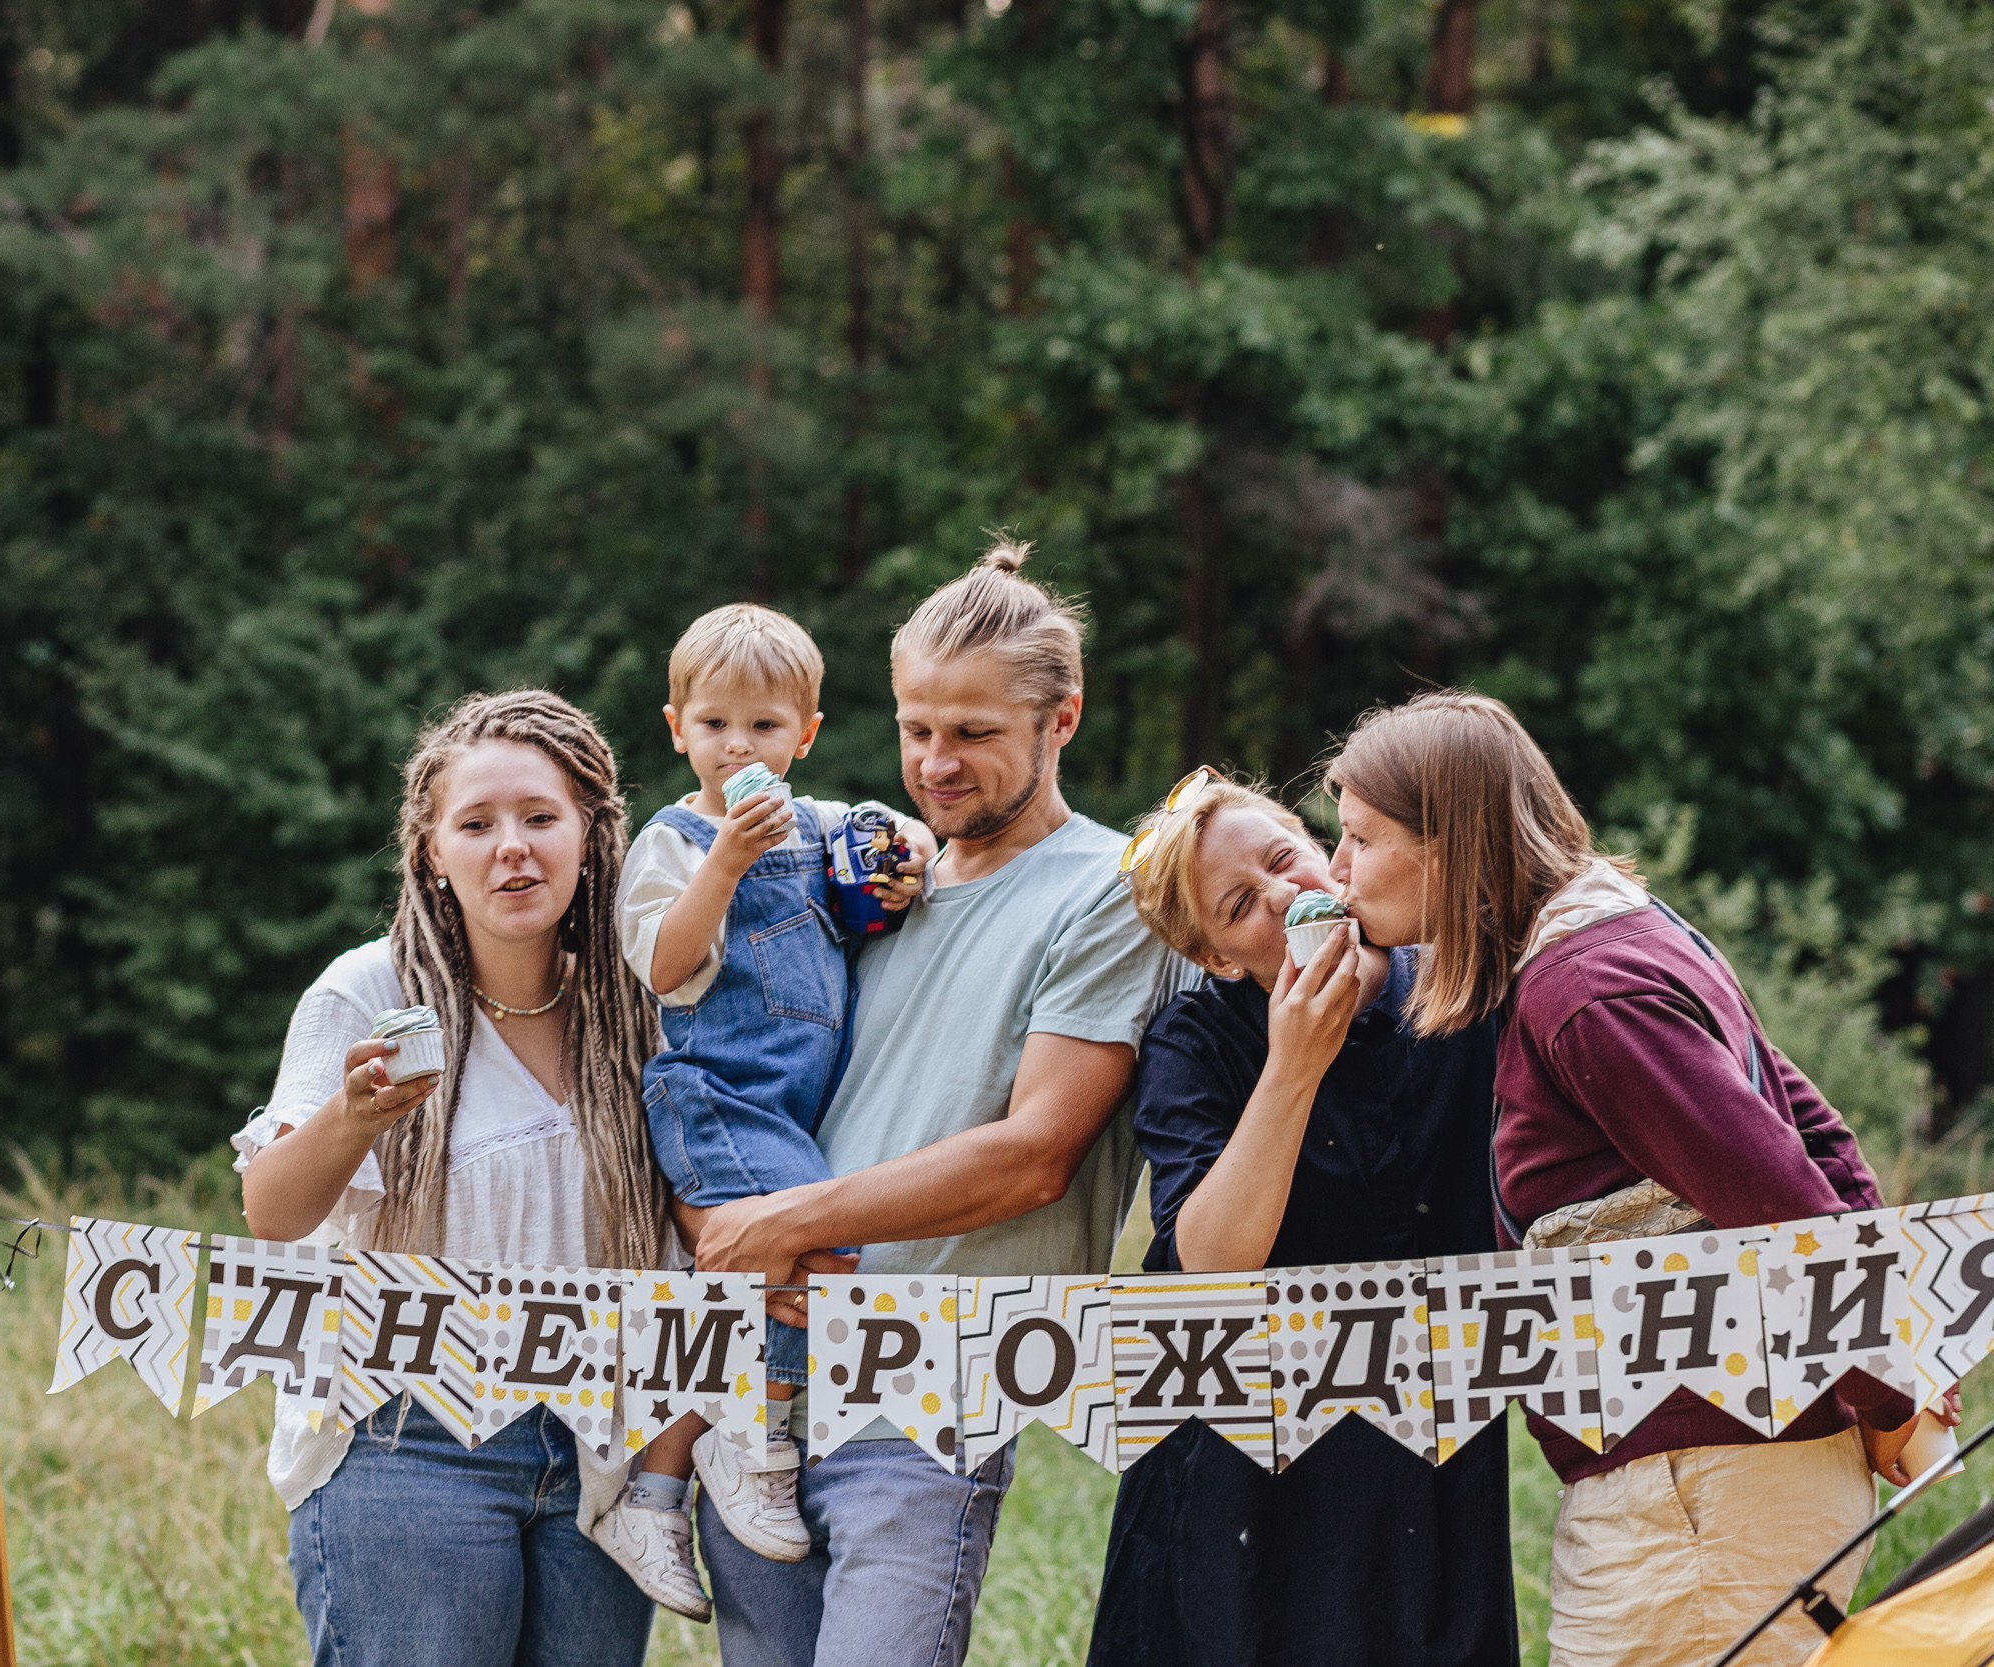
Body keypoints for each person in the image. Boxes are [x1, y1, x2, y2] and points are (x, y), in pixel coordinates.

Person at [1322, 690, 1958, 1667]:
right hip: (1718, 1476)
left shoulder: (1585, 990)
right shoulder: (1621, 930)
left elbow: (1789, 1207)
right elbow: (1817, 1135)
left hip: (1701, 1487)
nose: (1336, 867)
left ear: (1447, 845)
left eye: (1361, 838)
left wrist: (1889, 1400)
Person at [686, 539, 1193, 1667]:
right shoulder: (866, 878)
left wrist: (785, 1222)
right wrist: (724, 1227)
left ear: (1061, 720)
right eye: (916, 728)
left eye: (971, 732)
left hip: (929, 1385)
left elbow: (1037, 1153)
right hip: (759, 1382)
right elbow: (733, 1068)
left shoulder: (1111, 892)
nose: (934, 762)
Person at [234, 689, 672, 1667]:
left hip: (601, 1449)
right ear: (433, 851)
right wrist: (355, 1116)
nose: (511, 846)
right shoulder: (368, 990)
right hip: (409, 1439)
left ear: (591, 835)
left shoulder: (642, 1000)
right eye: (476, 824)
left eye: (540, 817)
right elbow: (273, 1212)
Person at [1086, 769, 1518, 1667]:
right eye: (1241, 905)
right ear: (1217, 957)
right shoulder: (1194, 1042)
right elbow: (1210, 1261)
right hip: (1242, 1463)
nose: (1284, 897)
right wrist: (1292, 1066)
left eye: (1285, 860)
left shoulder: (1459, 992)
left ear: (1324, 847)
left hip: (1428, 1452)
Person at [597, 602, 933, 1620]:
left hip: (792, 1109)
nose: (737, 747)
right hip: (717, 1094)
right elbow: (664, 963)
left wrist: (907, 856)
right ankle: (754, 1441)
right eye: (714, 724)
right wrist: (725, 863)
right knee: (810, 1259)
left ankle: (652, 1494)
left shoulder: (819, 823)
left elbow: (896, 844)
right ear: (675, 729)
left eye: (763, 726)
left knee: (741, 1291)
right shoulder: (672, 842)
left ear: (807, 734)